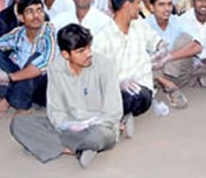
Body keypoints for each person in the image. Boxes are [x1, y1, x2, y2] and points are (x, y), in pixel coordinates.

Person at [10, 24, 122, 168]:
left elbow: (114, 112)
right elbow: (55, 110)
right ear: (65, 54)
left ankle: (51, 145)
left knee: (98, 136)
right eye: (81, 51)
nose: (88, 54)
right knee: (19, 123)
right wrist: (69, 125)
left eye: (88, 48)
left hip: (98, 126)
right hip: (70, 126)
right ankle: (75, 149)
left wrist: (89, 123)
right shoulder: (55, 68)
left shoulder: (105, 65)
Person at [92, 0, 162, 136]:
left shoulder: (140, 25)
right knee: (106, 98)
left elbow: (158, 43)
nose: (140, 7)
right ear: (127, 5)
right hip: (113, 89)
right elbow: (95, 74)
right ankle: (114, 123)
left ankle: (111, 123)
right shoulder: (102, 37)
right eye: (138, 3)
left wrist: (161, 53)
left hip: (139, 88)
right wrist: (119, 83)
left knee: (138, 98)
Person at [0, 0, 57, 122]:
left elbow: (46, 63)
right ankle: (20, 100)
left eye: (39, 10)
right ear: (20, 17)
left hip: (44, 87)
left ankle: (5, 103)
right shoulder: (18, 32)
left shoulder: (50, 32)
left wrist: (9, 77)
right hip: (20, 83)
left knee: (35, 60)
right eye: (30, 11)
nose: (36, 16)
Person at [145, 0, 202, 108]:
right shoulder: (144, 25)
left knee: (186, 38)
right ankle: (167, 84)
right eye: (161, 4)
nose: (167, 9)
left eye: (169, 4)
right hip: (153, 72)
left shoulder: (178, 21)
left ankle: (165, 83)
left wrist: (168, 57)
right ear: (151, 7)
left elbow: (198, 45)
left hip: (176, 73)